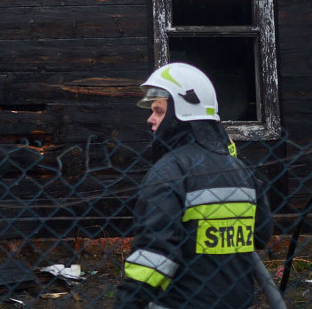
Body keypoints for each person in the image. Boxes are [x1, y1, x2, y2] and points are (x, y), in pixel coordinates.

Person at [115, 63, 273, 309]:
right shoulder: (241, 170)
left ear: (179, 114)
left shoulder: (169, 171)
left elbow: (156, 255)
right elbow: (261, 234)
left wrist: (127, 301)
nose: (150, 119)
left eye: (159, 111)